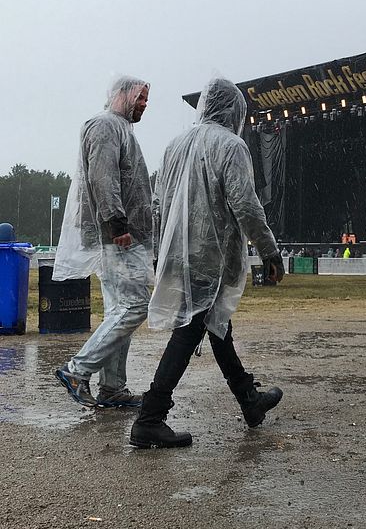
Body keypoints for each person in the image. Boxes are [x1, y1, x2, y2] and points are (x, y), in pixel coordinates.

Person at [129, 78, 285, 449]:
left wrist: (162, 249)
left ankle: (250, 401)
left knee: (216, 326)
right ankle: (150, 418)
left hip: (179, 253)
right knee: (191, 330)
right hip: (210, 256)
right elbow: (245, 204)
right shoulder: (231, 146)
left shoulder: (175, 145)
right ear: (234, 111)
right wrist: (270, 251)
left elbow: (159, 203)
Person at [53, 76, 153, 408]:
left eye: (146, 99)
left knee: (119, 311)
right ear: (120, 94)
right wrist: (116, 223)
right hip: (118, 237)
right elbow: (102, 176)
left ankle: (113, 388)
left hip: (124, 235)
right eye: (140, 96)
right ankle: (77, 370)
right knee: (135, 307)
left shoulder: (121, 129)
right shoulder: (106, 125)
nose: (144, 103)